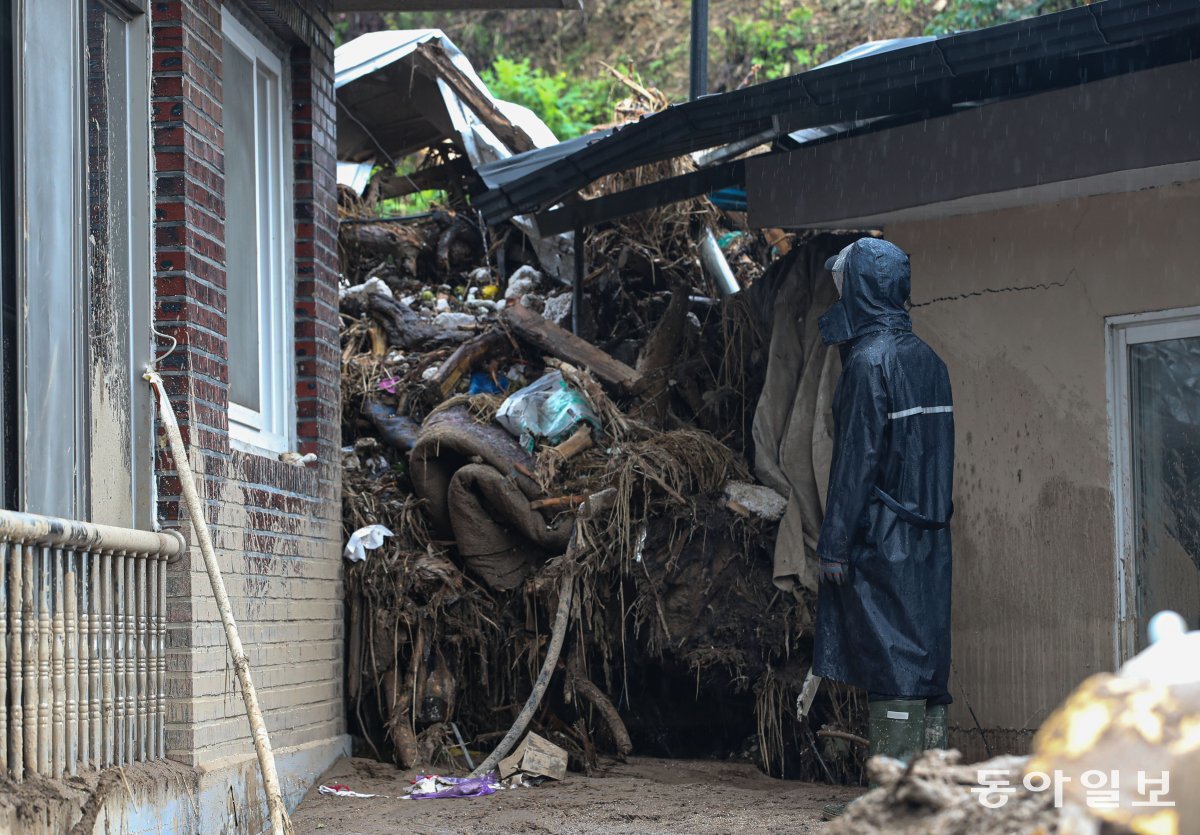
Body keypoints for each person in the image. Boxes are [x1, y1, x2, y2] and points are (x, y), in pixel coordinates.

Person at [812, 238, 954, 819]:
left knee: (893, 660)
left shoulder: (869, 364)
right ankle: (928, 794)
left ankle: (892, 802)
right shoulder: (930, 360)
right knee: (925, 658)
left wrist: (835, 544)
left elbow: (855, 464)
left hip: (882, 534)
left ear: (863, 289)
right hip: (930, 536)